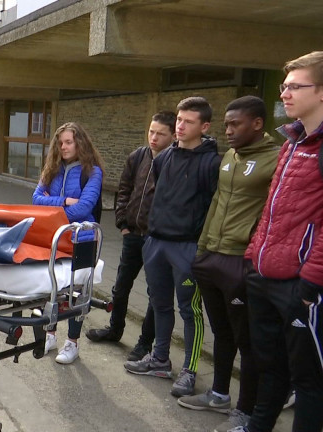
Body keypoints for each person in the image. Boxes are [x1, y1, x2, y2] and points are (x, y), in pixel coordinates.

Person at [175, 96, 278, 432]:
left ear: (258, 124)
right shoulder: (229, 157)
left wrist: (253, 255)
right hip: (212, 257)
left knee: (246, 340)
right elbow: (218, 201)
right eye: (227, 124)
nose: (228, 131)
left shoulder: (276, 158)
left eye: (236, 124)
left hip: (241, 261)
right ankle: (219, 394)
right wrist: (202, 250)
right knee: (222, 333)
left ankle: (246, 411)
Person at [237, 51, 323, 432]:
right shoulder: (291, 143)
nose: (284, 94)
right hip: (264, 276)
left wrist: (310, 282)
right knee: (268, 367)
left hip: (299, 285)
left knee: (308, 381)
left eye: (294, 86)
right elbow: (272, 209)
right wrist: (253, 257)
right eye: (284, 86)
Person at [124, 96, 220, 398]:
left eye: (188, 121)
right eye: (179, 120)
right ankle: (160, 360)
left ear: (204, 126)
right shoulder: (164, 158)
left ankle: (190, 370)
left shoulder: (211, 163)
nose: (180, 126)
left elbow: (213, 208)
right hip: (156, 243)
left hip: (187, 248)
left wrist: (203, 249)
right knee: (159, 304)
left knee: (190, 311)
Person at [85, 111, 177, 362]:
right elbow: (124, 190)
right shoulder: (138, 156)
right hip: (133, 235)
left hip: (157, 239)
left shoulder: (175, 161)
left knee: (155, 294)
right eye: (151, 131)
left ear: (173, 135)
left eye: (161, 133)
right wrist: (123, 223)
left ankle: (144, 344)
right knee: (121, 287)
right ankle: (115, 329)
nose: (154, 137)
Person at [32, 121, 104, 364]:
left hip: (82, 239)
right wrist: (65, 202)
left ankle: (72, 343)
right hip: (54, 237)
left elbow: (85, 207)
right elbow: (35, 199)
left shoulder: (92, 172)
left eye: (69, 142)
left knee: (78, 292)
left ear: (79, 143)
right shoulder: (52, 168)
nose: (63, 147)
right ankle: (50, 334)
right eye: (60, 142)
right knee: (51, 287)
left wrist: (53, 204)